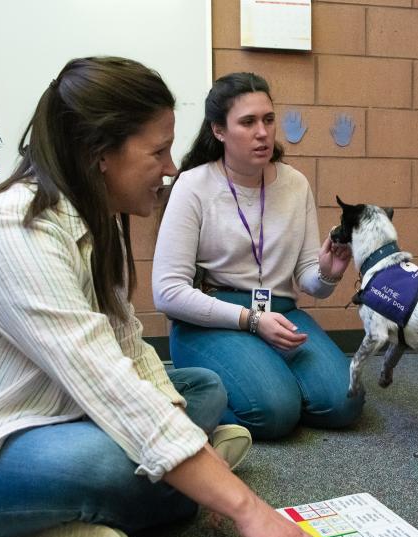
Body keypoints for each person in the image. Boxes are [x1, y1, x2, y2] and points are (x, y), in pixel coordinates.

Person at [0, 57, 334, 537]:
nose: (169, 168)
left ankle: (117, 501)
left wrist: (187, 452)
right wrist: (245, 509)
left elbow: (131, 356)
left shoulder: (95, 221)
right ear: (100, 155)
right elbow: (110, 387)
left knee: (199, 390)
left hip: (38, 415)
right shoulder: (10, 232)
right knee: (112, 457)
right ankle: (85, 514)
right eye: (157, 151)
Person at [152, 72, 363, 440]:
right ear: (219, 130)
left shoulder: (295, 184)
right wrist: (250, 320)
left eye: (268, 119)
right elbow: (167, 292)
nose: (263, 132)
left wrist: (328, 273)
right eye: (248, 122)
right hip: (213, 317)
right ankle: (196, 402)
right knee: (275, 413)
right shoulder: (194, 185)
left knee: (345, 402)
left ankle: (268, 384)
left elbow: (309, 279)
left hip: (278, 311)